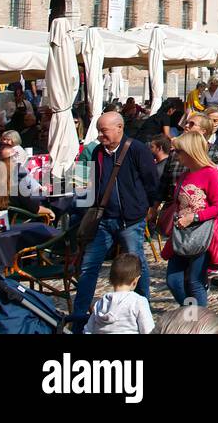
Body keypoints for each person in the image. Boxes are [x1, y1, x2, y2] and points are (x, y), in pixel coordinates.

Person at [70, 112, 160, 334]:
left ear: (119, 128)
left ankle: (142, 308)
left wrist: (148, 207)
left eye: (104, 130)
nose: (100, 135)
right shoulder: (96, 152)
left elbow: (151, 181)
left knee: (137, 261)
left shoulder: (137, 149)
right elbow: (86, 185)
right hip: (104, 219)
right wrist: (84, 211)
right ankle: (79, 318)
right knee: (89, 266)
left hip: (131, 219)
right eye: (99, 130)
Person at [163, 132, 218, 308]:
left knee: (195, 282)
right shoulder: (184, 175)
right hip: (182, 234)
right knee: (174, 280)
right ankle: (191, 312)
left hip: (203, 234)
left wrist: (194, 216)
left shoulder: (210, 174)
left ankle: (198, 321)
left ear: (190, 152)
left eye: (179, 151)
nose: (176, 155)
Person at [83, 253, 154, 335]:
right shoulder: (139, 302)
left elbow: (87, 330)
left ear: (110, 279)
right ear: (136, 280)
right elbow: (148, 330)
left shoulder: (99, 304)